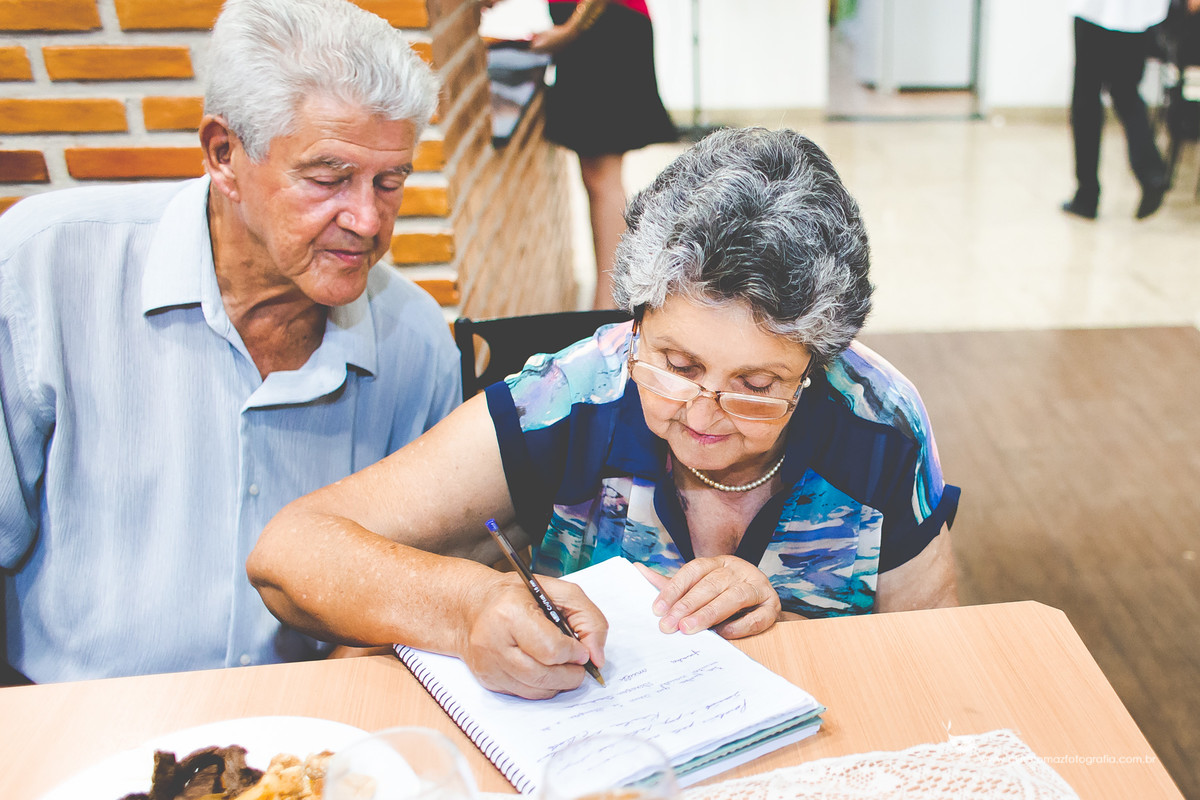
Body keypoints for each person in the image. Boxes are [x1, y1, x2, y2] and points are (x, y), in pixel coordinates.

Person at [248, 128, 960, 701]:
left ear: (817, 362)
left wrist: (789, 623)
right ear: (636, 322)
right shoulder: (571, 394)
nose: (704, 413)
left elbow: (940, 665)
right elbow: (289, 553)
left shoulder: (877, 422)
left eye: (758, 382)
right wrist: (469, 604)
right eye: (677, 366)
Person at [0, 0, 461, 684]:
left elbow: (420, 582)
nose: (367, 220)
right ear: (224, 155)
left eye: (389, 181)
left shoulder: (417, 342)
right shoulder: (42, 267)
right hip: (78, 722)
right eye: (329, 177)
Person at [498, 0, 678, 309]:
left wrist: (569, 31)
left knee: (602, 179)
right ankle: (612, 299)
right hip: (595, 26)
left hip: (601, 27)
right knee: (600, 179)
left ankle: (609, 305)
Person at [1063, 0, 1172, 220]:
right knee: (1125, 91)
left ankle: (1087, 194)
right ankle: (1152, 174)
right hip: (1137, 14)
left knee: (1086, 98)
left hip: (1096, 10)